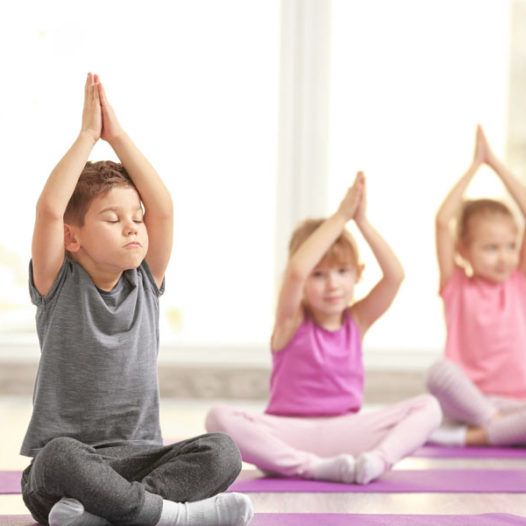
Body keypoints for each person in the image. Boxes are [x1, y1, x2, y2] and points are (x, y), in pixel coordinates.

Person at [21, 73, 253, 526]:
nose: (133, 227)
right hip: (70, 471)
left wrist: (120, 137)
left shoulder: (145, 281)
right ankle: (172, 517)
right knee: (58, 456)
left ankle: (117, 513)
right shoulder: (58, 284)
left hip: (142, 460)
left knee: (223, 452)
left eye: (136, 218)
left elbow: (163, 207)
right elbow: (49, 209)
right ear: (72, 238)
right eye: (113, 218)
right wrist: (89, 136)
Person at [206, 172, 441, 485]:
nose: (333, 285)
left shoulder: (357, 320)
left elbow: (395, 276)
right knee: (218, 418)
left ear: (357, 274)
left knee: (430, 407)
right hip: (288, 435)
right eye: (319, 275)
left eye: (342, 272)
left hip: (347, 433)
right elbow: (296, 271)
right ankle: (310, 467)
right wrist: (341, 216)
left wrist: (362, 222)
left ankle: (375, 462)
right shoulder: (290, 321)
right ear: (304, 282)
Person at [426, 125, 526, 448]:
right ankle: (498, 430)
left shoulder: (519, 283)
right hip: (469, 403)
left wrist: (495, 164)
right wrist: (474, 167)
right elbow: (443, 222)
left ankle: (474, 438)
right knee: (439, 373)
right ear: (463, 250)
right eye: (491, 248)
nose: (504, 258)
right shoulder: (456, 287)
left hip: (516, 404)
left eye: (511, 246)